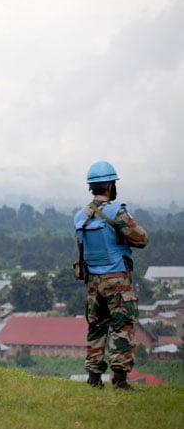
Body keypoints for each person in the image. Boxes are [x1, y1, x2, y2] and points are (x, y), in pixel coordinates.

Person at [74, 161, 148, 391]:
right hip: (116, 280)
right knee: (121, 326)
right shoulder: (117, 212)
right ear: (109, 186)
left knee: (96, 327)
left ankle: (94, 379)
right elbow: (142, 238)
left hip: (93, 282)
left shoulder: (80, 217)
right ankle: (120, 381)